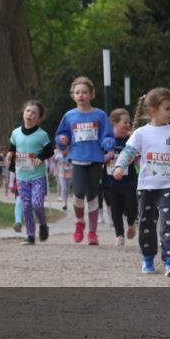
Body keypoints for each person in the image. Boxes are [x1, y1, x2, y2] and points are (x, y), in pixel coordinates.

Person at [113, 87, 170, 277]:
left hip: (168, 186)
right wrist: (120, 166)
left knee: (167, 223)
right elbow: (128, 152)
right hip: (146, 186)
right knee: (146, 223)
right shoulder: (141, 133)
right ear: (153, 110)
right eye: (167, 108)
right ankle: (147, 258)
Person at [54, 76, 114, 245]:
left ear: (92, 94)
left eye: (84, 92)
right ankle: (80, 222)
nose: (81, 95)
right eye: (77, 92)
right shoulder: (69, 116)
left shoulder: (100, 115)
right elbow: (61, 134)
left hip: (95, 159)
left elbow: (107, 136)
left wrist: (107, 143)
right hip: (78, 159)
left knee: (93, 195)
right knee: (79, 193)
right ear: (73, 95)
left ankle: (93, 233)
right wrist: (62, 140)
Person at [8, 100, 54, 243]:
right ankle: (30, 236)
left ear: (39, 118)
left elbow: (49, 151)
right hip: (22, 176)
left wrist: (40, 157)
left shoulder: (42, 135)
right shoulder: (15, 133)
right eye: (28, 111)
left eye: (34, 113)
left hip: (37, 176)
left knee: (37, 204)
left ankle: (43, 225)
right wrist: (10, 154)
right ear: (23, 112)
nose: (30, 114)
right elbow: (13, 148)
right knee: (26, 206)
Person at [103, 108, 137, 246]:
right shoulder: (108, 140)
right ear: (114, 123)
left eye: (129, 122)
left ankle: (130, 223)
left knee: (131, 205)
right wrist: (107, 156)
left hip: (129, 179)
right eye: (124, 122)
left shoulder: (132, 139)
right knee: (115, 208)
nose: (127, 124)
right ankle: (119, 235)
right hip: (111, 180)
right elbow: (99, 156)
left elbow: (139, 153)